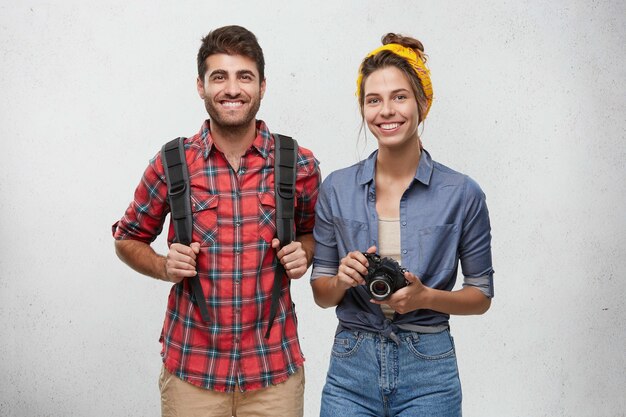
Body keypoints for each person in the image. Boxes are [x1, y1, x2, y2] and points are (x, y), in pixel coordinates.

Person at [112, 25, 320, 417]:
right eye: (218, 77)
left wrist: (304, 253)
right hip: (193, 369)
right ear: (201, 86)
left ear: (262, 85)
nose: (232, 89)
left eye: (244, 76)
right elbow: (127, 238)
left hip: (273, 370)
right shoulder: (172, 163)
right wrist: (162, 265)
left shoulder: (298, 163)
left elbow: (313, 234)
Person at [311, 33, 494, 416]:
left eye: (399, 97)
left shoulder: (462, 193)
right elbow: (322, 294)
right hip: (351, 365)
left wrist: (425, 297)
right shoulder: (336, 188)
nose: (386, 111)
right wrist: (343, 279)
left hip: (429, 367)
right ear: (363, 108)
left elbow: (480, 296)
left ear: (422, 103)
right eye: (373, 100)